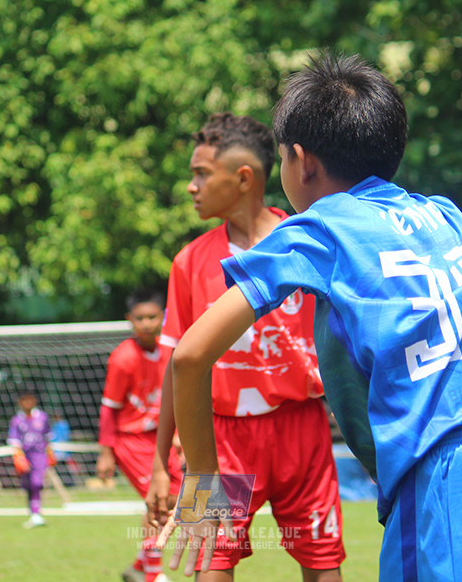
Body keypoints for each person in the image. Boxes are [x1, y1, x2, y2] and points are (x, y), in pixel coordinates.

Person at [158, 53, 462, 581]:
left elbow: (189, 355)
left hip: (446, 473)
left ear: (302, 161)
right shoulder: (443, 214)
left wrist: (202, 484)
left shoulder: (315, 229)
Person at [148, 111, 346, 581]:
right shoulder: (190, 262)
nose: (191, 186)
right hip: (217, 439)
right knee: (208, 561)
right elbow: (177, 364)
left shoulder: (307, 242)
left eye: (201, 173)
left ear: (243, 178)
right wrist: (160, 465)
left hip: (303, 430)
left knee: (322, 562)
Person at [97, 287, 181, 582]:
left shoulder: (172, 350)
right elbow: (109, 408)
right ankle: (153, 575)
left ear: (163, 317)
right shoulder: (122, 358)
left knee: (190, 496)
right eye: (139, 318)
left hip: (162, 438)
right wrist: (106, 452)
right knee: (157, 501)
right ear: (129, 320)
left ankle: (138, 565)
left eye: (152, 317)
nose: (146, 323)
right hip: (131, 441)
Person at [7, 387, 55, 528]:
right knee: (28, 486)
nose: (27, 402)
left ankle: (36, 514)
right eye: (24, 400)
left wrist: (51, 454)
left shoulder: (42, 417)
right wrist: (18, 458)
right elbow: (14, 441)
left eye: (30, 399)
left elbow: (48, 438)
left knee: (37, 483)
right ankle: (34, 514)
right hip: (24, 455)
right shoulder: (16, 420)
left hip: (39, 454)